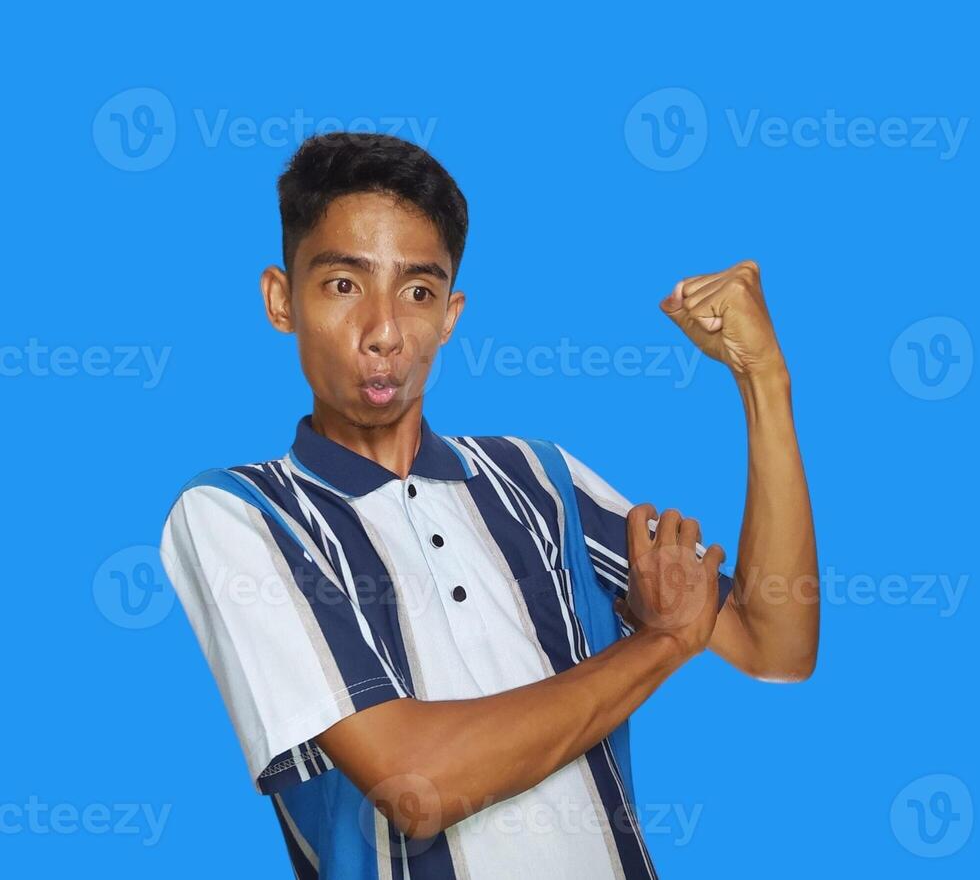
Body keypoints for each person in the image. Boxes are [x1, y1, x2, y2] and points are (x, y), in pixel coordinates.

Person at [159, 132, 819, 879]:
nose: (383, 333)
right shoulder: (240, 514)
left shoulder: (539, 478)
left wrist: (764, 381)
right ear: (282, 300)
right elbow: (418, 787)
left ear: (450, 313)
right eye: (344, 284)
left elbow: (777, 645)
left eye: (417, 291)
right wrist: (662, 642)